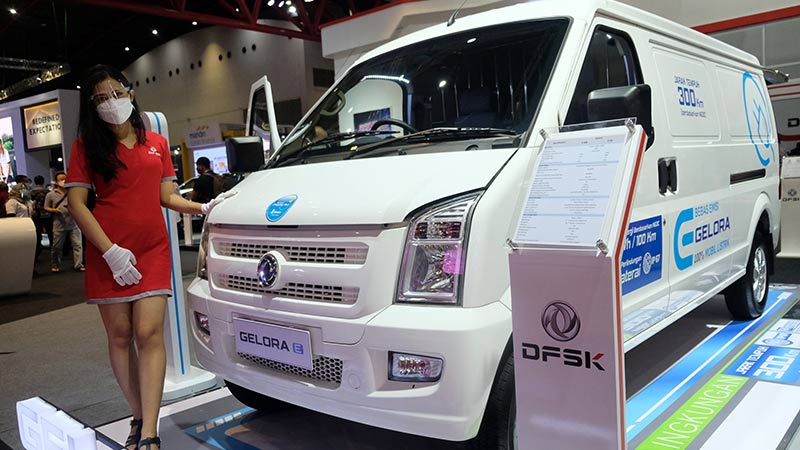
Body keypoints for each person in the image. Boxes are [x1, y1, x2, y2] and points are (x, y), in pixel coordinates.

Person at [65, 65, 235, 450]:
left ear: (130, 93)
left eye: (116, 93)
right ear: (92, 106)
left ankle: (150, 431)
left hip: (152, 250)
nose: (111, 102)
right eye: (101, 98)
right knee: (120, 335)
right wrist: (109, 251)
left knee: (148, 333)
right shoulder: (86, 147)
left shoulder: (156, 143)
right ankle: (137, 414)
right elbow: (77, 203)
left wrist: (201, 207)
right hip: (107, 250)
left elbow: (167, 197)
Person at [46, 171, 84, 272]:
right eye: (61, 179)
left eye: (65, 179)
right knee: (57, 247)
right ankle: (55, 264)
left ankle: (78, 264)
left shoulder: (72, 193)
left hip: (73, 223)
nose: (63, 181)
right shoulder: (51, 194)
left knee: (77, 245)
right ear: (56, 182)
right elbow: (46, 207)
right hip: (59, 224)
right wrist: (55, 210)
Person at [31, 175, 53, 261]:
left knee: (38, 232)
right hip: (47, 213)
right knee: (50, 231)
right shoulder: (47, 191)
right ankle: (52, 246)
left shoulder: (32, 191)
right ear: (43, 181)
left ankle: (39, 247)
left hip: (37, 214)